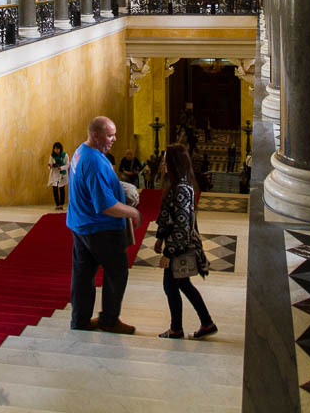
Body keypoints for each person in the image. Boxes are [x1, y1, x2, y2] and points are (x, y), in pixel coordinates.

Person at [66, 116, 141, 334]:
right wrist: (132, 212)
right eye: (110, 135)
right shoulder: (95, 162)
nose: (114, 139)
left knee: (82, 275)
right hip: (100, 229)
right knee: (117, 273)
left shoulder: (82, 151)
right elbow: (105, 205)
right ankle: (109, 320)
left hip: (81, 224)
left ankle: (79, 321)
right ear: (96, 136)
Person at [154, 144, 217, 340]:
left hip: (179, 247)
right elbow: (169, 216)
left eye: (166, 160)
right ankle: (205, 323)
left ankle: (177, 329)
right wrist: (160, 238)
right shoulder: (178, 184)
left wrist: (168, 253)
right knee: (181, 285)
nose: (163, 163)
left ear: (174, 163)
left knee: (172, 285)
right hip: (177, 244)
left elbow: (182, 226)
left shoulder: (181, 188)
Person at [47, 142, 69, 210]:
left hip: (62, 174)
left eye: (57, 149)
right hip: (55, 174)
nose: (56, 150)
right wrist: (50, 166)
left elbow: (67, 165)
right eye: (55, 149)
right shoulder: (52, 156)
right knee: (55, 189)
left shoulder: (65, 155)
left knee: (62, 189)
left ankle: (61, 205)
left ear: (60, 149)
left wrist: (61, 168)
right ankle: (57, 204)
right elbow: (49, 165)